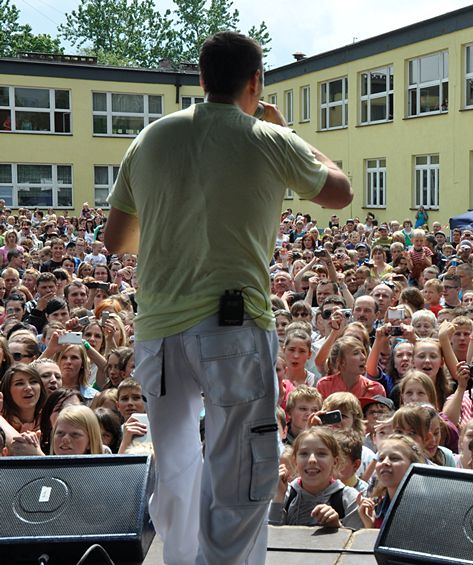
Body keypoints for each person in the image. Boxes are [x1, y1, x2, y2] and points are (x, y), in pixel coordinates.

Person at [103, 31, 352, 565]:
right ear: (256, 81)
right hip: (233, 328)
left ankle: (178, 558)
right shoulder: (267, 137)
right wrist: (290, 132)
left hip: (159, 329)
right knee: (239, 467)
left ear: (201, 78)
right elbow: (340, 191)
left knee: (173, 463)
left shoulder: (151, 137)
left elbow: (116, 239)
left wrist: (177, 234)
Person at [268, 427, 363, 528]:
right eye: (304, 453)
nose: (312, 460)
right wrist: (278, 498)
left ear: (335, 462)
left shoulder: (349, 498)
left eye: (321, 454)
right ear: (295, 461)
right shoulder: (285, 495)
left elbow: (358, 537)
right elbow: (269, 534)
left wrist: (337, 527)